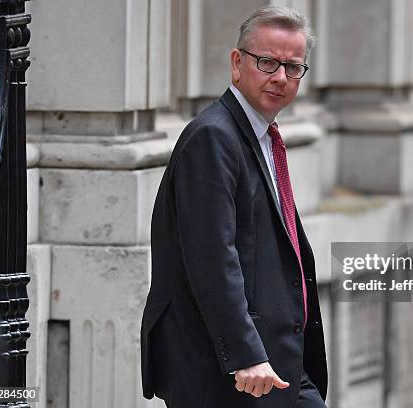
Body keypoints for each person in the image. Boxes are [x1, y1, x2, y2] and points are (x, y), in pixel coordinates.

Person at [140, 5, 327, 407]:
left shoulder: (260, 137)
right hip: (229, 369)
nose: (280, 77)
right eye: (267, 62)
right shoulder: (213, 137)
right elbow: (212, 257)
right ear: (237, 63)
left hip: (275, 362)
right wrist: (246, 355)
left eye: (293, 67)